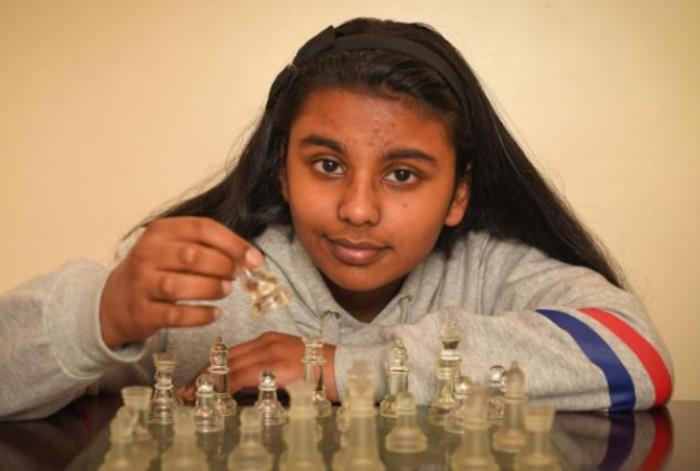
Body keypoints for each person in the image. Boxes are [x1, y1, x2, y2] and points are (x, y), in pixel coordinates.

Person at [0, 17, 672, 421]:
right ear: (282, 171)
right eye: (326, 165)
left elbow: (638, 355)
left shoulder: (493, 272)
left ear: (458, 195)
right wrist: (102, 313)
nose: (357, 208)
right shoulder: (206, 285)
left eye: (403, 174)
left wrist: (347, 367)